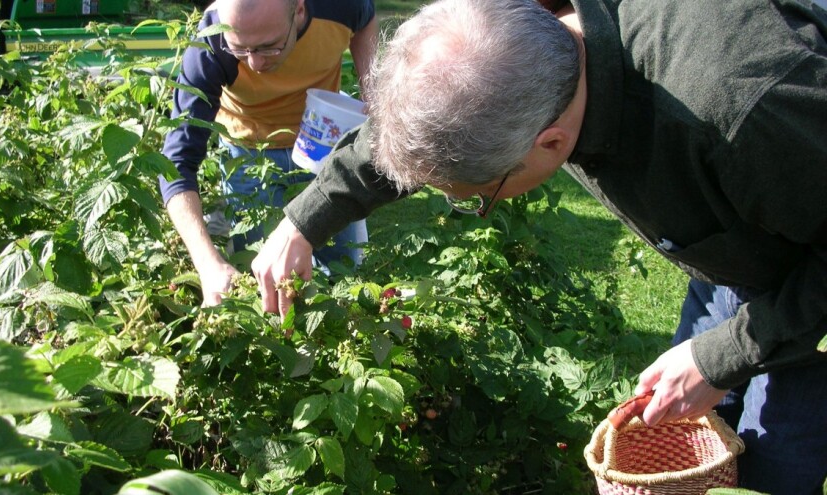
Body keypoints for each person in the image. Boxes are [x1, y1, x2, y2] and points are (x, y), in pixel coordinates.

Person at [249, 0, 827, 493]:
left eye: (480, 196)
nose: (479, 207)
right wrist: (304, 220)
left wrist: (726, 353)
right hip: (735, 241)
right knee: (689, 433)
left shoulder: (747, 108)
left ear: (550, 141)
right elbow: (437, 101)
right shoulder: (510, 33)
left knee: (778, 463)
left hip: (807, 264)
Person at [159, 0, 377, 306]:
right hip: (250, 154)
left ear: (299, 11)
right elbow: (176, 162)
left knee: (347, 272)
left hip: (323, 141)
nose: (255, 64)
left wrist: (374, 91)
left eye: (268, 47)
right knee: (263, 282)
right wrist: (208, 265)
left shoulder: (337, 6)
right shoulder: (211, 40)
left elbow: (365, 18)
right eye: (240, 50)